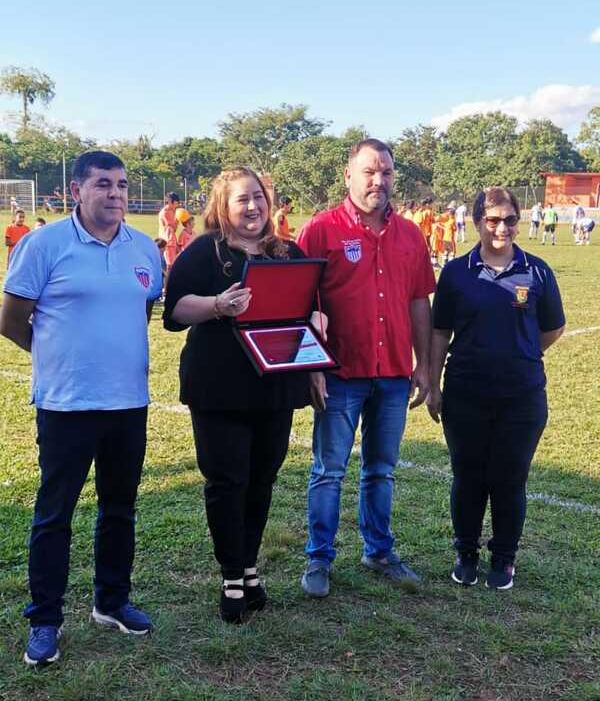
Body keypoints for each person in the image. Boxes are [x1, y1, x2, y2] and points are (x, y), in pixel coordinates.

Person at [0, 151, 163, 666]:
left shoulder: (144, 250)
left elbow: (144, 309)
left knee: (120, 509)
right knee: (54, 515)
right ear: (76, 191)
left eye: (121, 185)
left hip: (128, 403)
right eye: (102, 185)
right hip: (67, 404)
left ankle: (111, 602)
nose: (115, 194)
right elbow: (10, 320)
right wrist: (58, 355)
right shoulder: (43, 244)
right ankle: (45, 619)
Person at [163, 166, 311, 624]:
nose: (253, 207)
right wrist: (216, 306)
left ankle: (249, 567)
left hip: (274, 383)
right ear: (223, 206)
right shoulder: (203, 252)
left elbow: (310, 304)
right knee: (227, 481)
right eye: (242, 199)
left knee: (262, 478)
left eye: (259, 198)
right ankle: (230, 574)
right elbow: (175, 308)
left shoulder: (288, 250)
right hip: (219, 385)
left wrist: (317, 328)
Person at [296, 138, 435, 598]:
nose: (379, 181)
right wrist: (311, 366)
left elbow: (419, 303)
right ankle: (319, 558)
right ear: (348, 175)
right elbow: (301, 304)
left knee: (381, 469)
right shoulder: (320, 230)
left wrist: (425, 367)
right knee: (329, 470)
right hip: (339, 373)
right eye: (370, 172)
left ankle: (378, 550)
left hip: (393, 373)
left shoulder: (411, 235)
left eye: (387, 173)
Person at [427, 185, 565, 591]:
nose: (501, 228)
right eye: (492, 220)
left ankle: (503, 558)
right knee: (467, 477)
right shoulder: (455, 272)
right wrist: (433, 385)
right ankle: (466, 553)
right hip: (465, 393)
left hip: (521, 397)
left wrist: (518, 353)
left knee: (509, 478)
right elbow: (439, 330)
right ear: (476, 223)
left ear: (518, 222)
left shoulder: (537, 271)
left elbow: (553, 328)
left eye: (509, 220)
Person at [158, 192, 181, 274]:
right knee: (170, 266)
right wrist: (178, 219)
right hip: (168, 241)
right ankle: (168, 284)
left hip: (170, 240)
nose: (178, 204)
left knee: (172, 264)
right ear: (172, 201)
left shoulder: (171, 211)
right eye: (177, 202)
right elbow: (172, 227)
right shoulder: (166, 212)